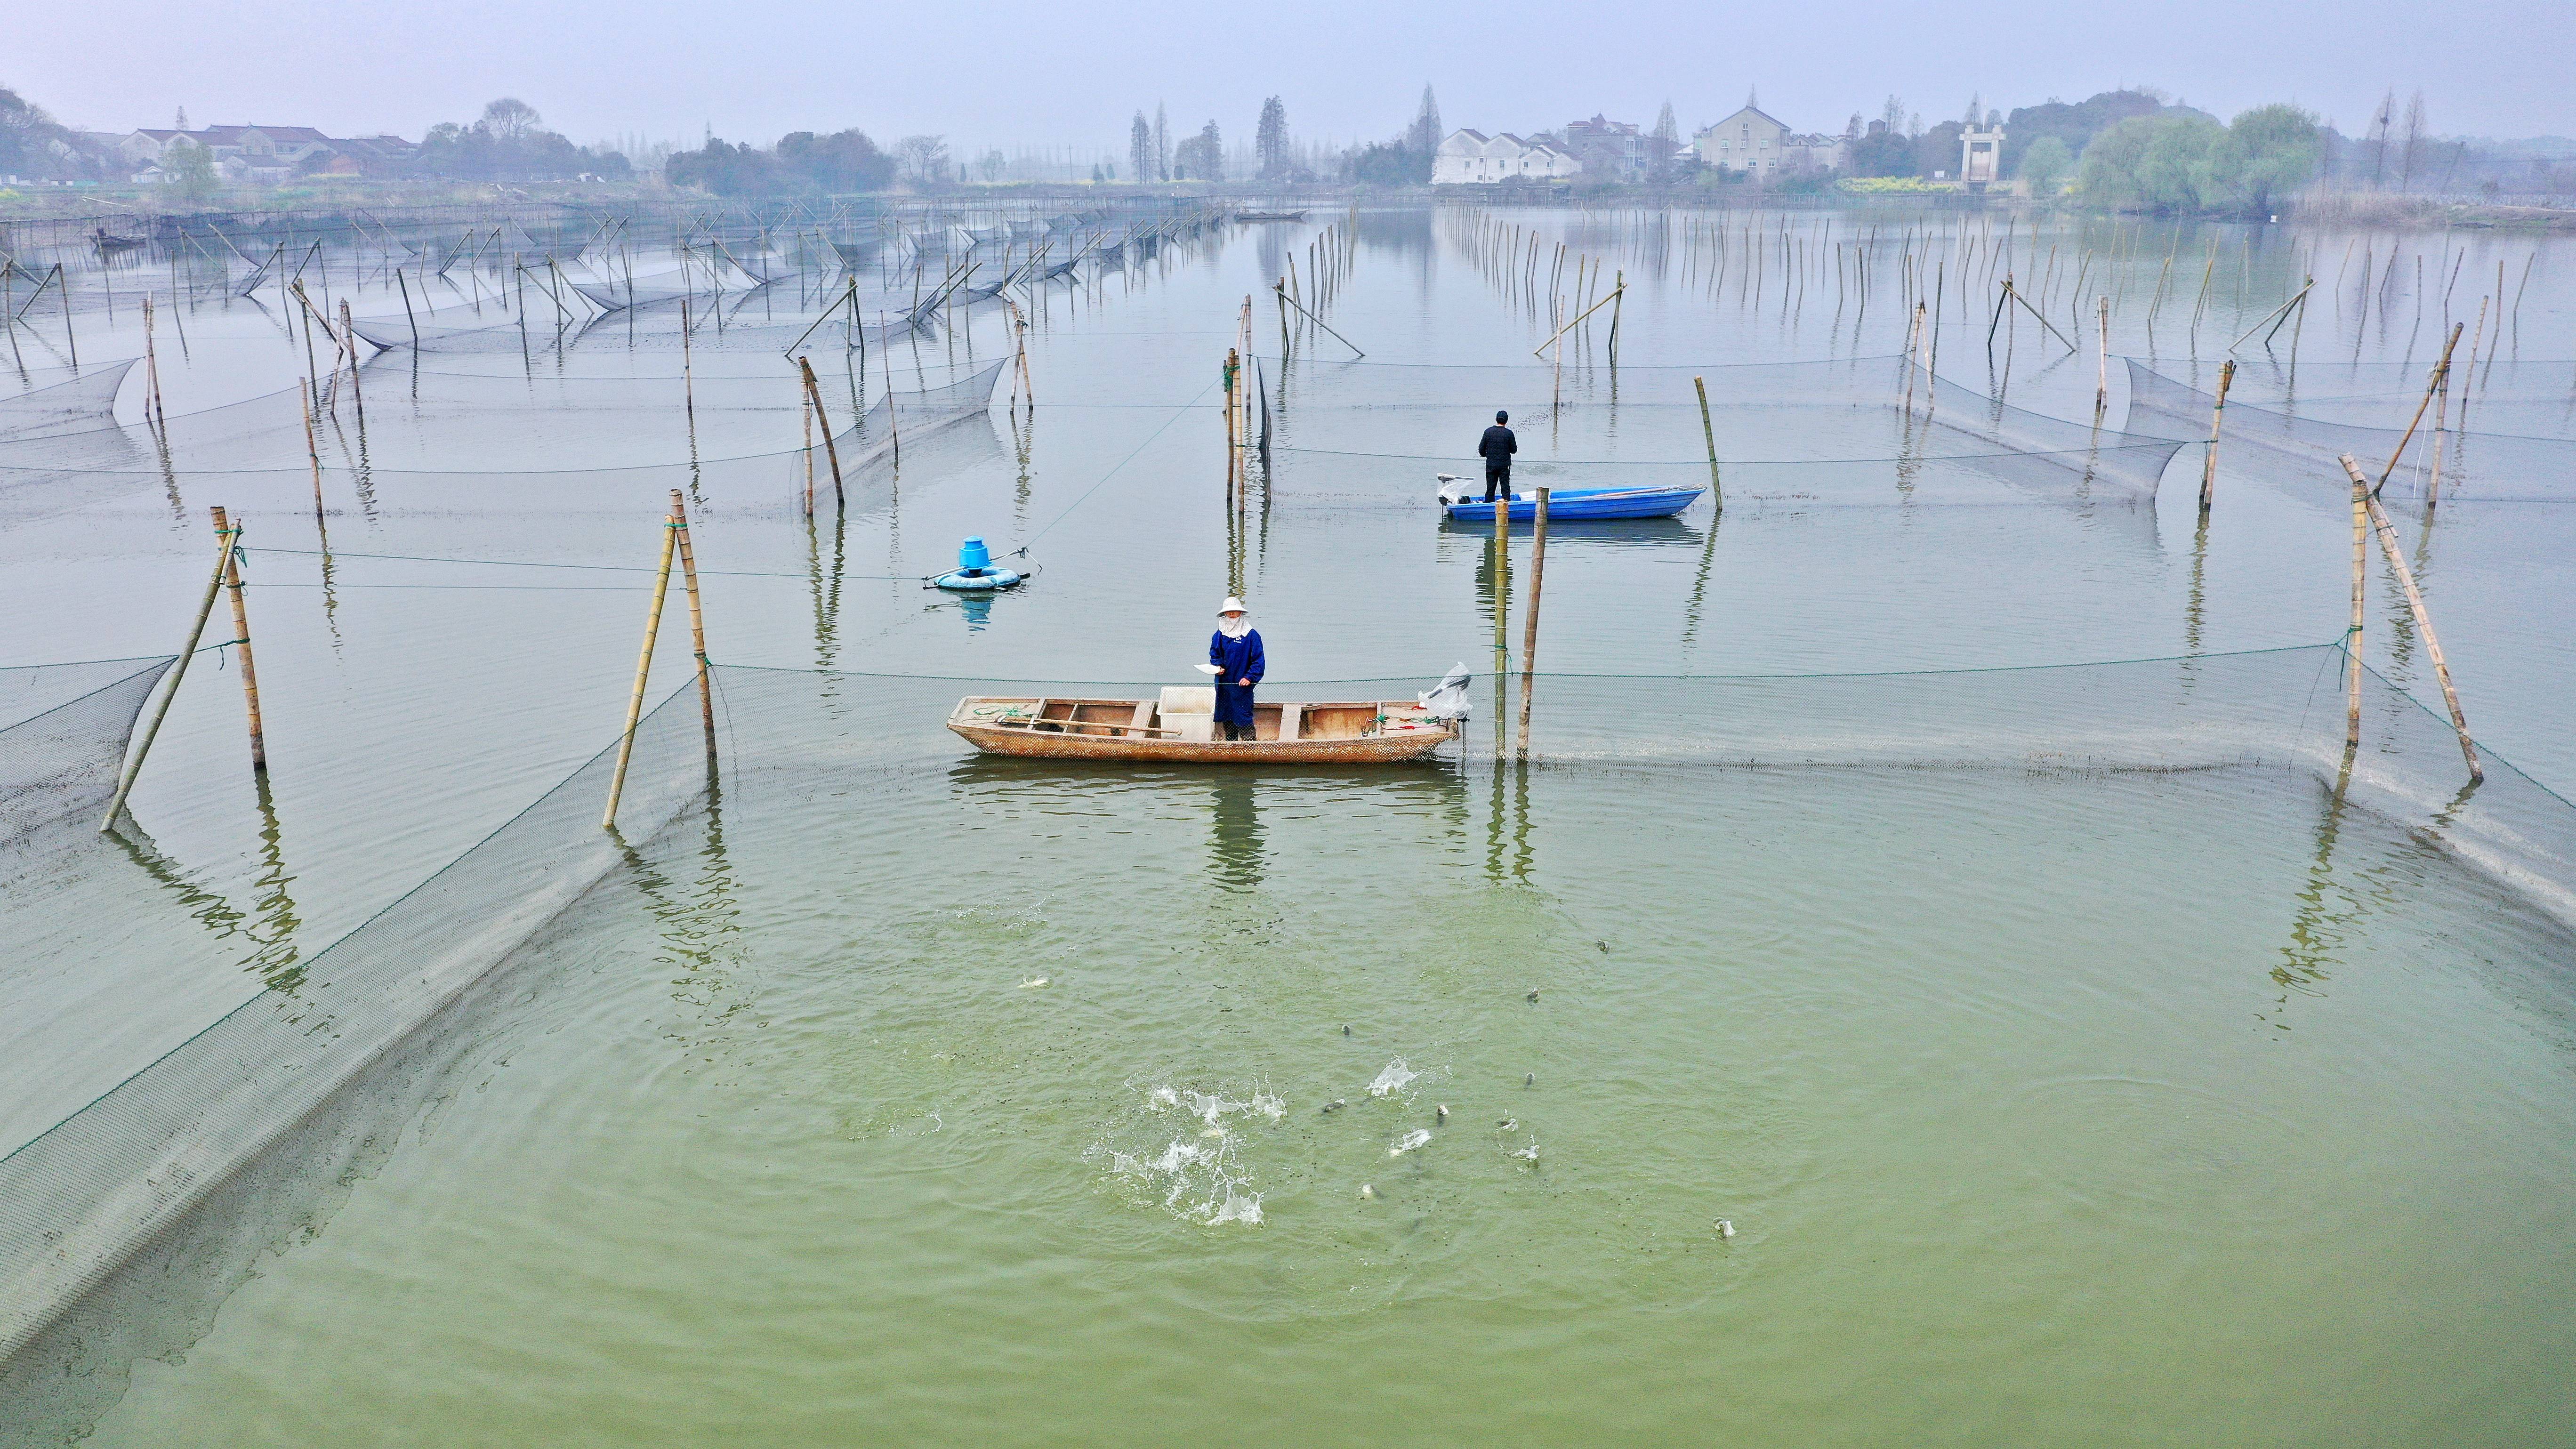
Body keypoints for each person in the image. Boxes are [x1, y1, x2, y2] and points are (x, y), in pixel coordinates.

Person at [1208, 597, 1265, 741]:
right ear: (1225, 614)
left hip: (1242, 685)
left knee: (1243, 714)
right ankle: (1231, 745)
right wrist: (1218, 667)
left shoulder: (1251, 635)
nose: (1232, 615)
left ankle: (1249, 744)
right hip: (1224, 685)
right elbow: (1215, 654)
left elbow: (1258, 662)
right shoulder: (1220, 634)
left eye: (1235, 612)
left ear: (1241, 613)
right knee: (1227, 714)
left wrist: (1249, 678)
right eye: (1229, 612)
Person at [1477, 410, 1518, 502]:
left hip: (1491, 465)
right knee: (1505, 488)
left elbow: (1481, 449)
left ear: (1496, 419)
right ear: (1506, 421)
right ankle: (1506, 507)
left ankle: (1489, 506)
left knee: (1490, 488)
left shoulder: (1488, 432)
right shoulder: (1509, 433)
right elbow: (1514, 450)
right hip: (1504, 465)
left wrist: (1485, 455)